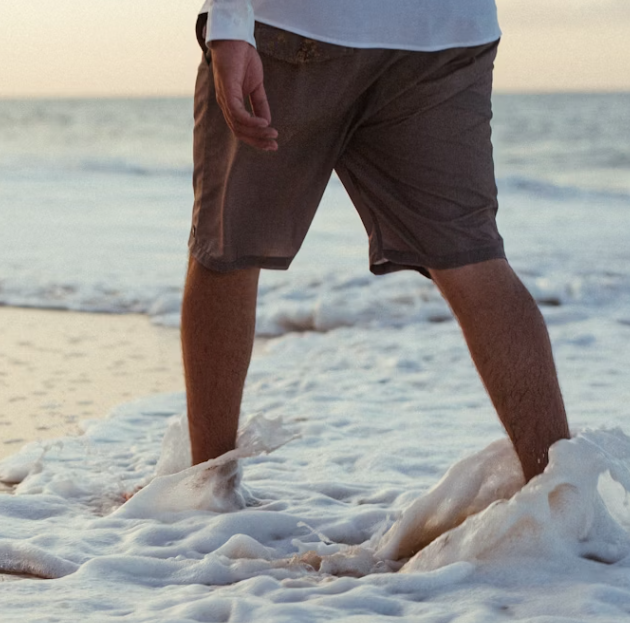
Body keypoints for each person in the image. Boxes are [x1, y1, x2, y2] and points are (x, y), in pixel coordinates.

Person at [183, 0, 571, 487]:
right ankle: (564, 500)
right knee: (476, 261)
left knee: (228, 251)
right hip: (446, 35)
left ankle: (205, 491)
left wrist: (229, 22)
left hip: (297, 24)